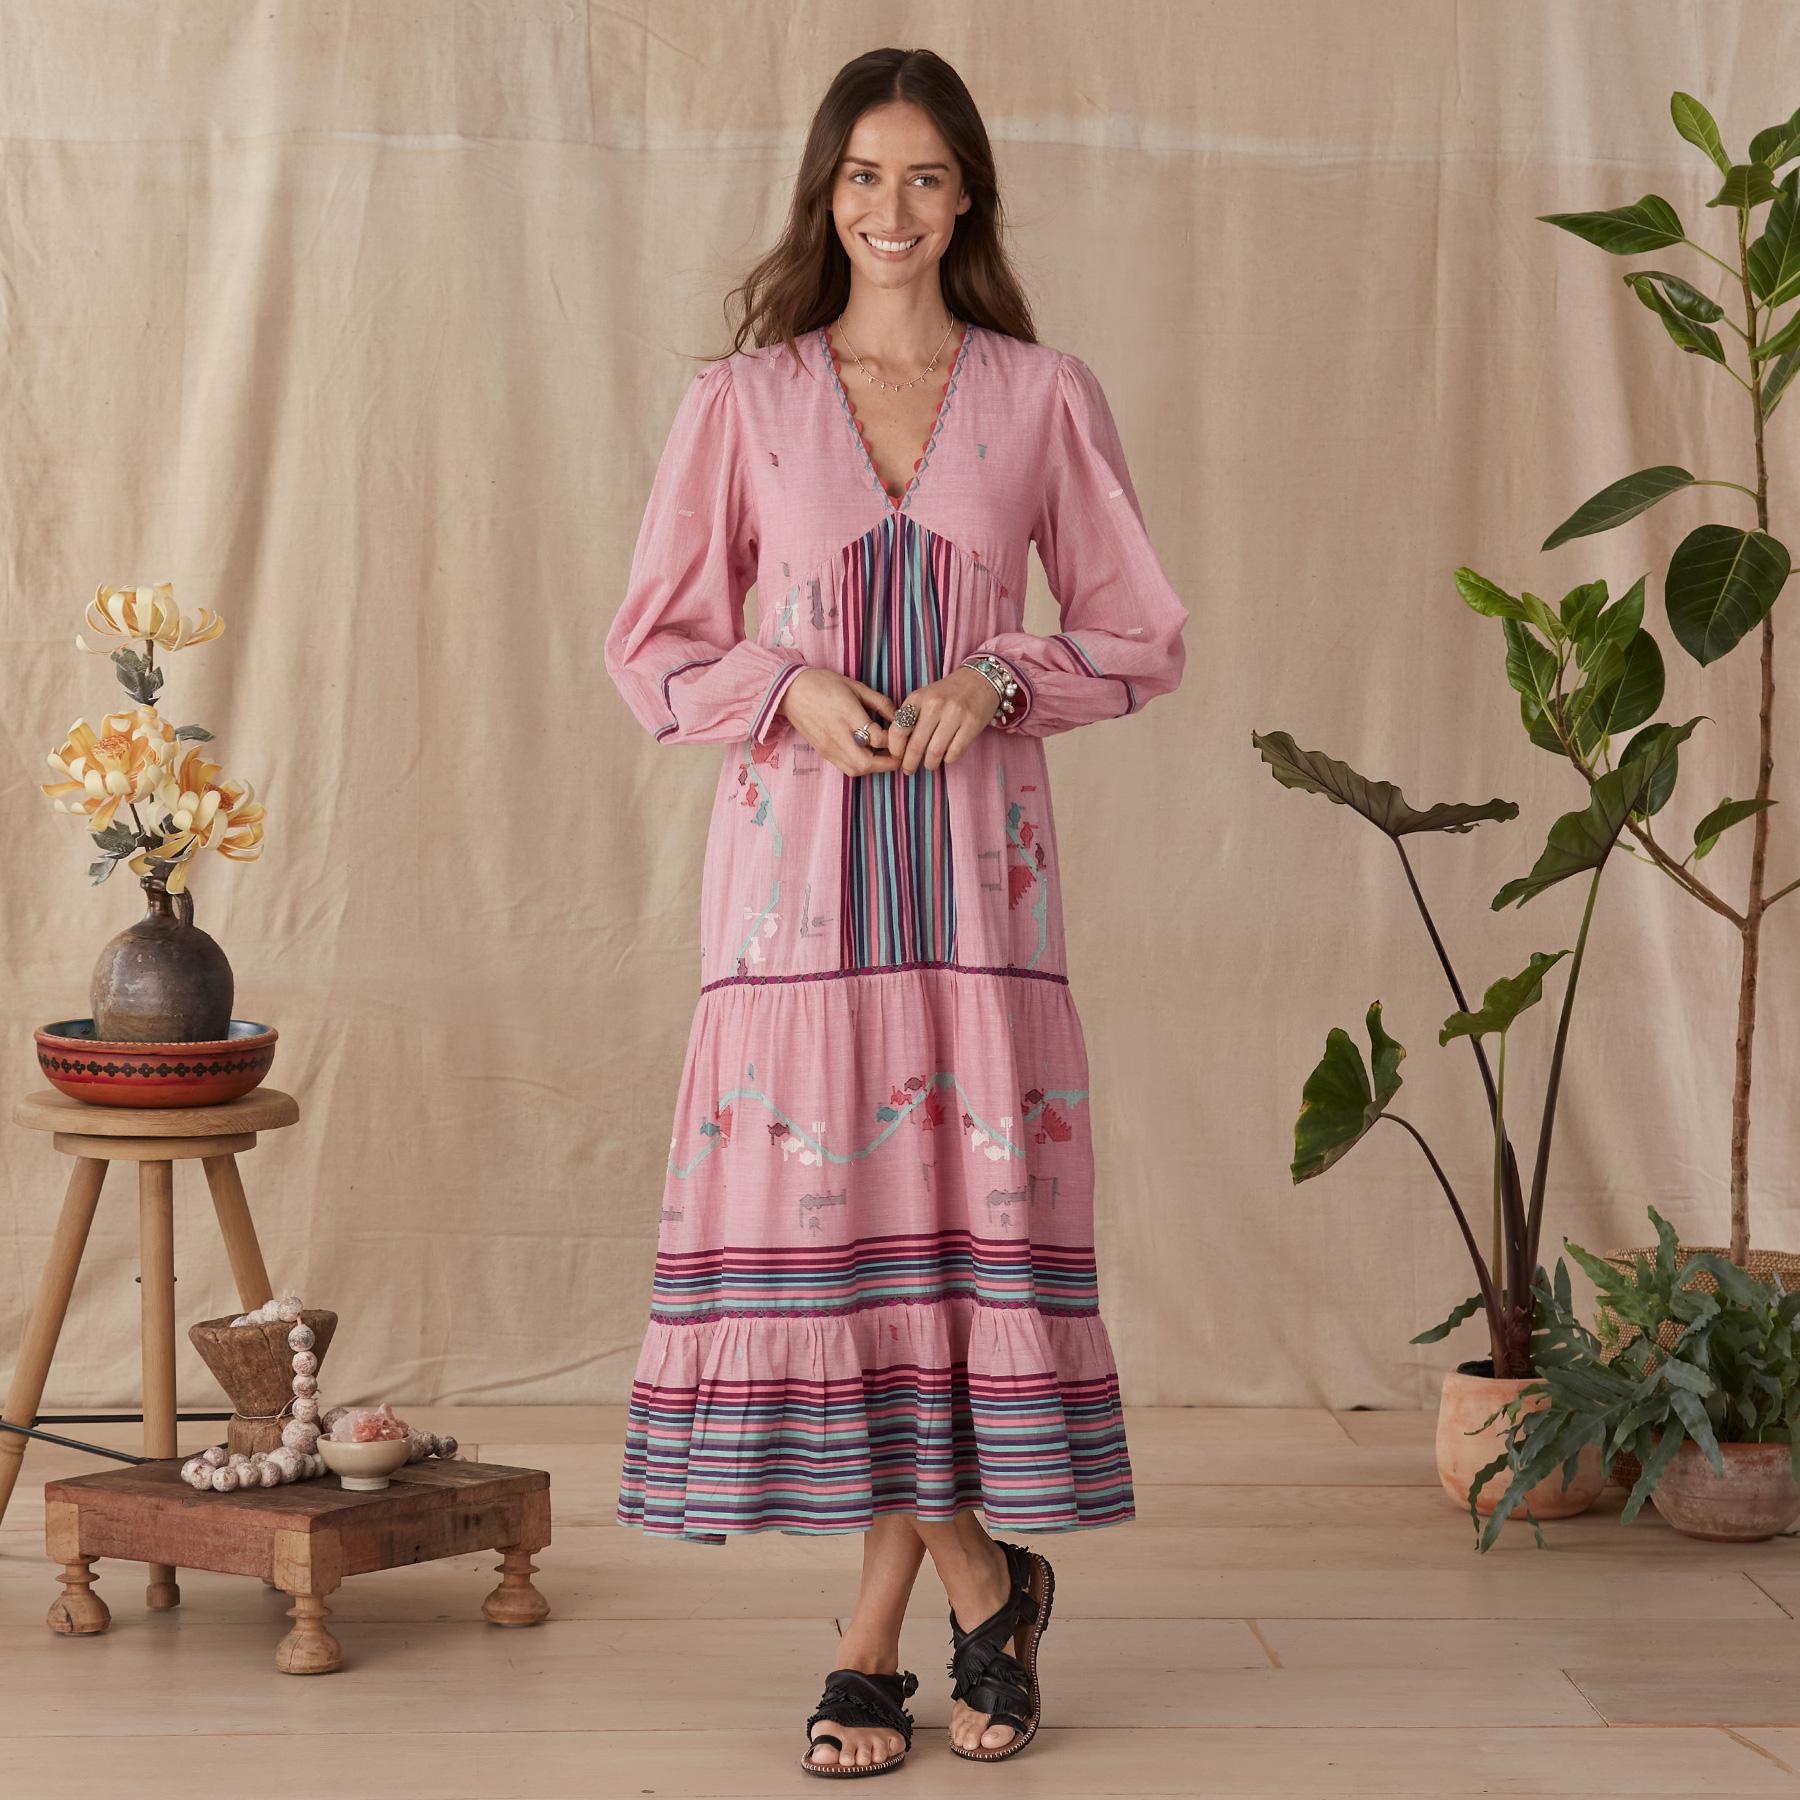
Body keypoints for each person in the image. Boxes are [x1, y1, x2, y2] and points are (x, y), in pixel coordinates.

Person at [603, 46, 1189, 1780]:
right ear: (826, 192)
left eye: (925, 176)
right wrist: (785, 687)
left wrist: (998, 678)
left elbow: (1140, 632)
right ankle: (984, 1590)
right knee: (851, 1250)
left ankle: (876, 1643)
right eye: (864, 175)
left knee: (931, 1258)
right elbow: (655, 646)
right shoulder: (743, 401)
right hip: (791, 909)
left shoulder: (1044, 394)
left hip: (977, 902)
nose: (892, 208)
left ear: (967, 196)